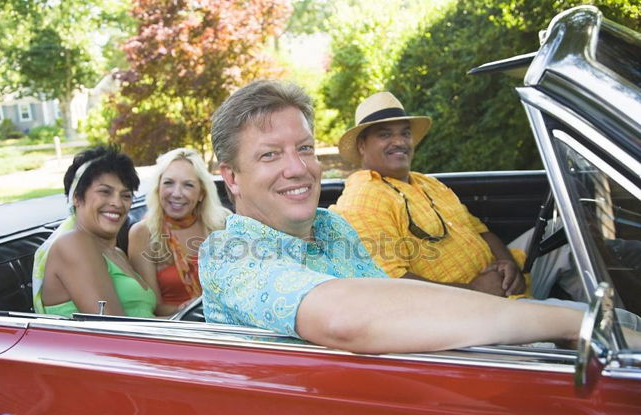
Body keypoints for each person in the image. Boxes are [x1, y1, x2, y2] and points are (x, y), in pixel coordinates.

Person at [199, 80, 582, 354]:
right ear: (231, 177)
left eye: (305, 148)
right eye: (270, 155)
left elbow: (401, 298)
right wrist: (566, 324)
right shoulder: (227, 253)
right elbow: (346, 319)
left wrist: (529, 316)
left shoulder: (332, 227)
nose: (299, 168)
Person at [330, 91, 582, 300]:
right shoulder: (364, 198)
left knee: (568, 233)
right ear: (363, 145)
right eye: (385, 134)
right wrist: (474, 291)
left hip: (503, 282)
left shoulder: (428, 183)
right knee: (588, 327)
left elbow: (480, 230)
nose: (399, 141)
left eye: (405, 133)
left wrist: (508, 264)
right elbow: (391, 283)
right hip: (464, 310)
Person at [32, 146, 156, 318]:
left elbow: (145, 320)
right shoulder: (73, 243)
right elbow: (115, 329)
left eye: (125, 195)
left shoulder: (117, 253)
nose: (117, 203)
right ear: (76, 197)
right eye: (105, 192)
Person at [128, 147, 231, 316]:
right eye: (168, 183)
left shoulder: (222, 223)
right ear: (158, 187)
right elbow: (151, 307)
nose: (176, 193)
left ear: (201, 193)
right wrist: (191, 309)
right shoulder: (142, 233)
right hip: (177, 331)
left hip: (231, 326)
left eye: (188, 185)